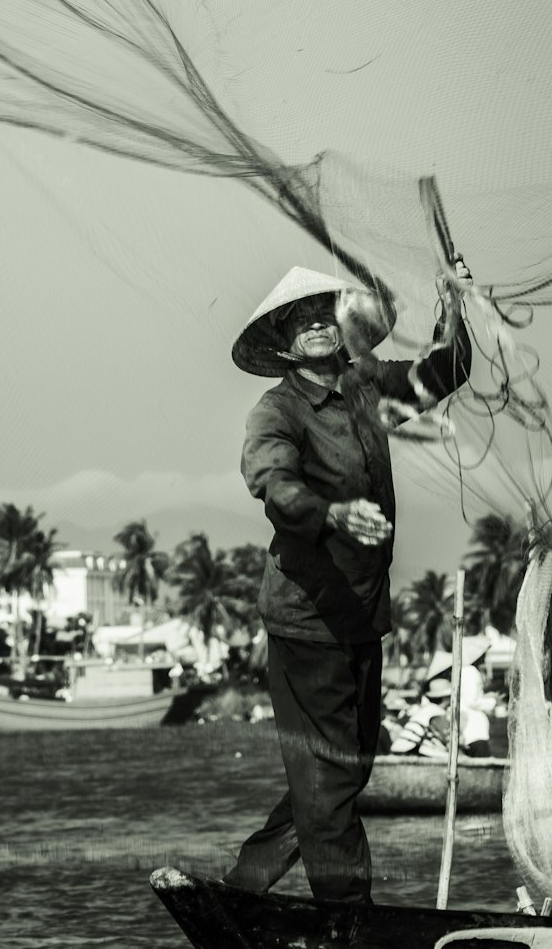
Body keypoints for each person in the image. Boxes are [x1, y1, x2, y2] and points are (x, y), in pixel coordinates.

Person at [223, 255, 472, 904]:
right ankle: (349, 919)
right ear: (282, 341)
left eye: (322, 314)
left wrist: (456, 310)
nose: (314, 325)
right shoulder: (277, 411)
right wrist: (330, 512)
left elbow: (444, 373)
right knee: (330, 780)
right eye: (298, 320)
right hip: (307, 621)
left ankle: (246, 887)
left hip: (362, 615)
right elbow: (274, 485)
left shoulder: (366, 385)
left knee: (347, 769)